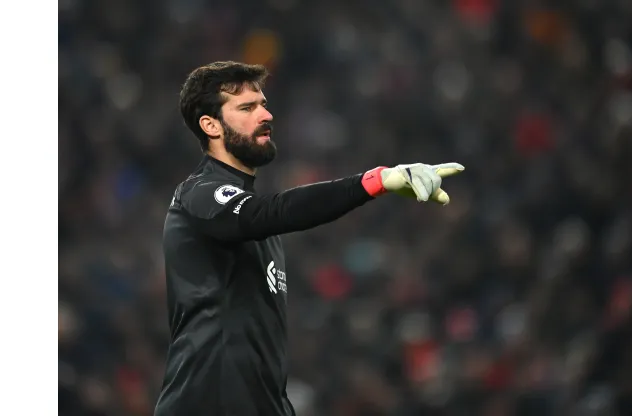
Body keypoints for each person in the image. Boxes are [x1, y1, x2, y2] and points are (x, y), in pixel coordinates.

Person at [154, 61, 464, 416]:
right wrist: (375, 181)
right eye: (246, 108)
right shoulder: (199, 194)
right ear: (210, 125)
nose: (265, 114)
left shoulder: (257, 226)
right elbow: (271, 212)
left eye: (263, 104)